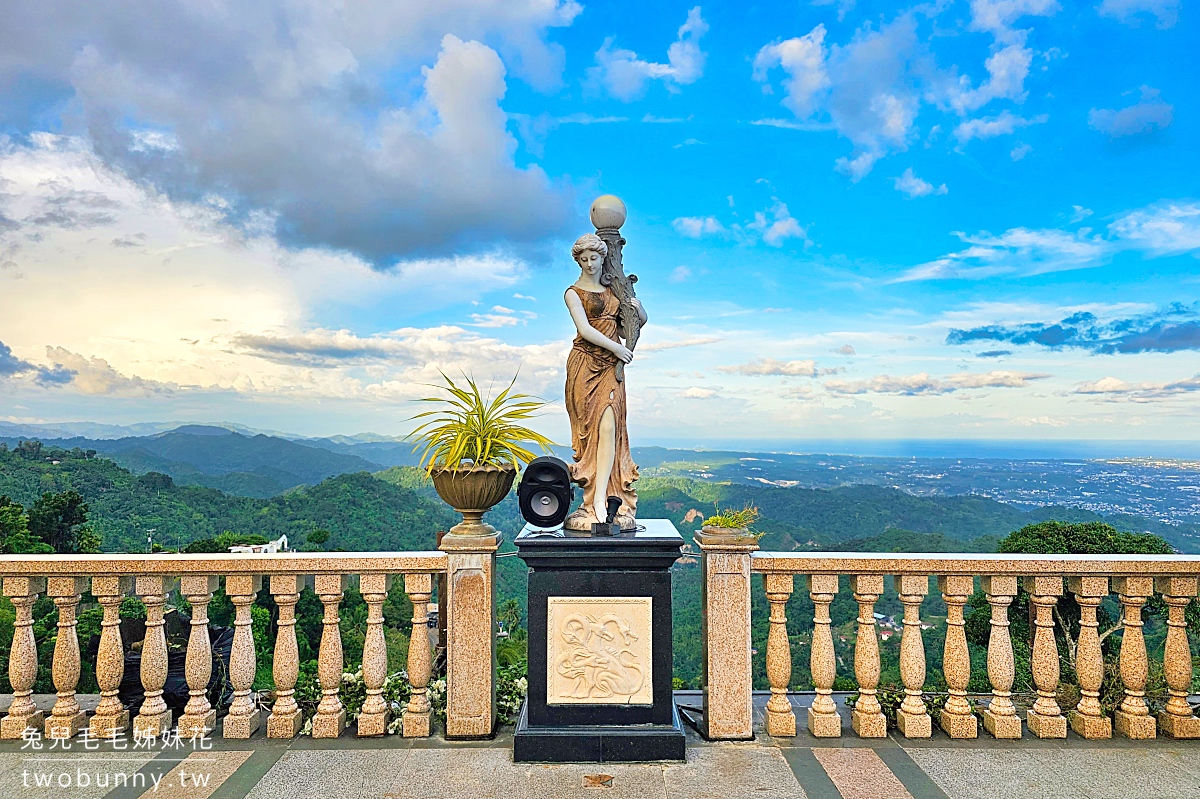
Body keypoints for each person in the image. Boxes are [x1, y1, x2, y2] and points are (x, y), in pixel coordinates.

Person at [562, 233, 646, 530]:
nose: (589, 264)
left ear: (602, 258)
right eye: (583, 259)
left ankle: (604, 496)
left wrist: (638, 307)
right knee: (592, 432)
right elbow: (584, 329)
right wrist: (616, 348)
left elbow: (633, 324)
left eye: (593, 258)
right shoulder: (573, 293)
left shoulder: (614, 289)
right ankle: (593, 499)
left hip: (612, 367)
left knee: (610, 427)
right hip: (586, 364)